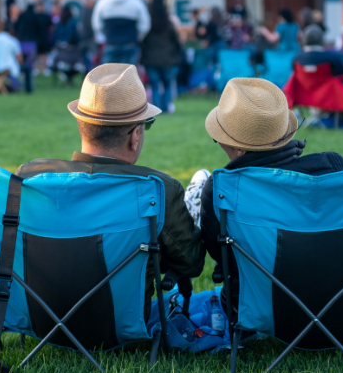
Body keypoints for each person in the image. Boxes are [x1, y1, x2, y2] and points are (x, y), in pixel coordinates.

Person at [15, 63, 205, 318]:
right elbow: (191, 261)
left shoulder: (28, 178)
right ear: (134, 136)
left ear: (81, 125)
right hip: (123, 325)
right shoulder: (157, 189)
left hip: (41, 320)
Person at [189, 78, 343, 313]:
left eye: (220, 139)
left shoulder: (222, 189)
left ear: (240, 149)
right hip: (340, 304)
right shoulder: (333, 169)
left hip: (254, 307)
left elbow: (221, 255)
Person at [92, 0, 150, 65]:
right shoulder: (137, 2)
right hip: (130, 44)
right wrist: (136, 37)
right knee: (128, 77)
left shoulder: (102, 2)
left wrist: (107, 35)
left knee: (109, 76)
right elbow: (145, 26)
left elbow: (97, 25)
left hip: (111, 43)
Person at [141, 0, 182, 113]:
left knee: (154, 85)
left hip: (150, 60)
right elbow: (176, 42)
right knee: (167, 84)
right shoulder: (169, 24)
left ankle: (157, 109)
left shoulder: (147, 25)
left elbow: (142, 42)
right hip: (167, 60)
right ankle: (165, 107)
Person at [49, 4, 84, 85]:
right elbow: (76, 36)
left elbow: (55, 36)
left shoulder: (59, 23)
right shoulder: (74, 22)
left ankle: (67, 78)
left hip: (61, 51)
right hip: (73, 51)